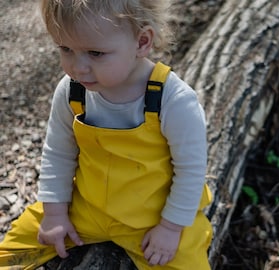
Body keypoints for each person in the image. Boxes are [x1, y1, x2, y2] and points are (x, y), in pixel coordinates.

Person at [0, 0, 213, 269]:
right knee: (13, 249)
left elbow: (191, 171)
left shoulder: (173, 100)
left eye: (95, 53)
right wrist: (55, 213)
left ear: (142, 42)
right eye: (66, 49)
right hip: (86, 208)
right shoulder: (72, 91)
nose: (78, 67)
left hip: (152, 219)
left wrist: (170, 228)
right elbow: (58, 152)